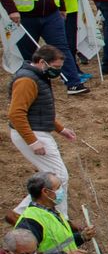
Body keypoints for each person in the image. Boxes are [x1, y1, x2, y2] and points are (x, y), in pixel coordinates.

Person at [7, 45, 77, 209]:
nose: (58, 71)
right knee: (58, 177)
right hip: (32, 133)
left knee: (55, 177)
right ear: (42, 62)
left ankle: (23, 213)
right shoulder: (27, 81)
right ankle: (41, 214)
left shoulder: (37, 77)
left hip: (37, 131)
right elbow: (16, 114)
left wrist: (60, 129)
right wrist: (32, 141)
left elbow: (40, 110)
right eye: (56, 67)